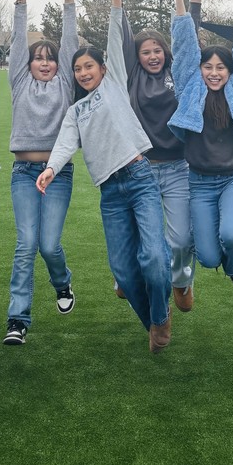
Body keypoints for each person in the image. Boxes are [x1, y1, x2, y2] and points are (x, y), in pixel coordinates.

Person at [36, 19, 173, 355]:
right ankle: (154, 322)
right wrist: (52, 168)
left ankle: (160, 316)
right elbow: (66, 142)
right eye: (78, 69)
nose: (84, 73)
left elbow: (116, 42)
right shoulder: (76, 110)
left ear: (103, 69)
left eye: (89, 66)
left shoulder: (114, 84)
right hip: (111, 193)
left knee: (153, 258)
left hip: (140, 178)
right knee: (124, 272)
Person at [108, 0, 202, 313]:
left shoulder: (180, 73)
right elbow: (120, 38)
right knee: (138, 233)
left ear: (165, 51)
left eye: (157, 50)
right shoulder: (131, 75)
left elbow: (189, 45)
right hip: (140, 168)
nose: (152, 56)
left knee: (179, 239)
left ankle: (181, 280)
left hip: (177, 166)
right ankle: (127, 276)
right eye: (145, 51)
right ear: (138, 56)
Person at [168, 0, 233, 286]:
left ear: (230, 71)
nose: (213, 72)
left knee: (232, 236)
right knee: (208, 258)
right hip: (198, 183)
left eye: (220, 67)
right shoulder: (190, 87)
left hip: (232, 178)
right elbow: (184, 48)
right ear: (199, 70)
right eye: (207, 67)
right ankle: (223, 259)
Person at [3, 0, 78, 346]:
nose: (45, 63)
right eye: (38, 58)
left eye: (50, 59)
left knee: (48, 245)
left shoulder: (66, 84)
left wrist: (68, 0)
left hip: (58, 173)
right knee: (26, 243)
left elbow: (70, 45)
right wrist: (20, 1)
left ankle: (62, 281)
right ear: (29, 64)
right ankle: (17, 318)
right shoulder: (19, 83)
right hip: (23, 174)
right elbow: (18, 44)